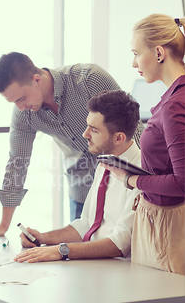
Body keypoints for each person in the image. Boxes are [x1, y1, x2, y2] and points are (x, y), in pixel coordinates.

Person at [0, 52, 142, 237]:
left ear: (36, 79)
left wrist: (147, 177)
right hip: (82, 188)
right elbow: (17, 163)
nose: (21, 107)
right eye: (14, 102)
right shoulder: (24, 114)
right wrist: (3, 225)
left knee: (129, 245)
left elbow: (131, 126)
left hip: (125, 182)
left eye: (22, 98)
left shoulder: (89, 79)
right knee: (85, 252)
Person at [103, 14, 185, 303]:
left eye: (135, 53)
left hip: (167, 228)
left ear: (158, 52)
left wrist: (131, 180)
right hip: (159, 223)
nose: (133, 63)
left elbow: (183, 184)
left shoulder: (176, 103)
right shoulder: (177, 96)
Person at [14, 90, 142, 263]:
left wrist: (62, 251)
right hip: (95, 266)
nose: (85, 134)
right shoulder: (106, 164)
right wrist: (43, 238)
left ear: (119, 137)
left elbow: (121, 244)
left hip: (121, 270)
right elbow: (87, 224)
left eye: (94, 130)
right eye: (87, 125)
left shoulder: (141, 175)